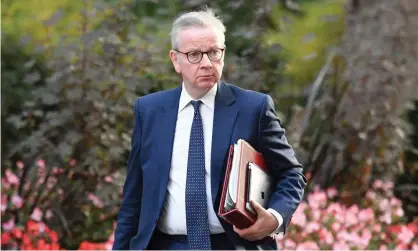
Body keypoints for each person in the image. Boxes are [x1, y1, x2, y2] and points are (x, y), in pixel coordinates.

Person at [112, 8, 307, 250]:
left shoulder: (253, 108)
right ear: (175, 59)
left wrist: (275, 218)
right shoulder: (149, 111)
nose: (206, 63)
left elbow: (291, 174)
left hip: (232, 244)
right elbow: (134, 197)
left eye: (214, 53)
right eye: (194, 54)